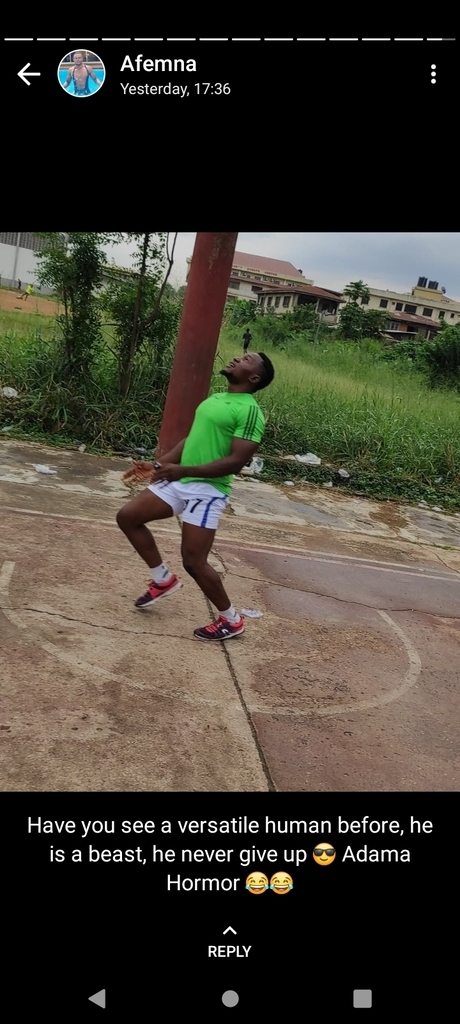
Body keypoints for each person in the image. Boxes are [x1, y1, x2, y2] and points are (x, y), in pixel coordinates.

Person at [117, 351, 275, 641]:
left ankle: (232, 620)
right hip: (181, 479)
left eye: (246, 360)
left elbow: (236, 462)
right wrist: (158, 465)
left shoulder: (250, 411)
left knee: (193, 561)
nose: (237, 359)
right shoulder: (216, 399)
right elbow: (192, 440)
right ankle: (162, 579)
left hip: (208, 490)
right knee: (128, 517)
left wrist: (182, 470)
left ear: (254, 378)